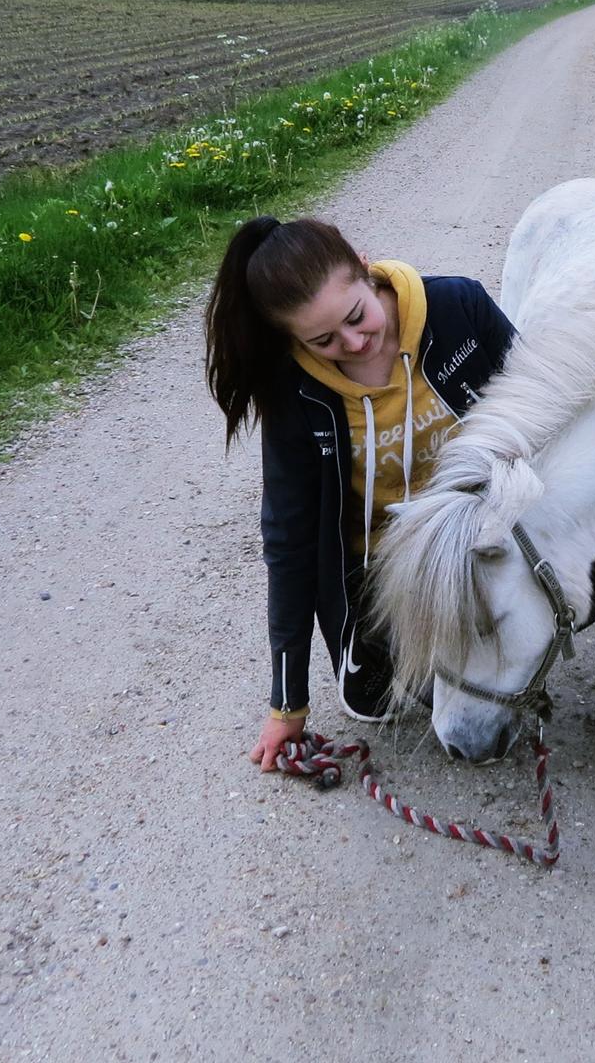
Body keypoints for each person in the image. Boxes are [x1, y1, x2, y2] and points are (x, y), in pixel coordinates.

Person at [205, 216, 516, 772]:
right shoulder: (295, 392)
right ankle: (388, 641)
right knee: (381, 702)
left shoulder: (459, 307)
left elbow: (547, 404)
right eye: (323, 341)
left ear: (365, 268)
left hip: (487, 528)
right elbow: (289, 543)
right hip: (383, 571)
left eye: (356, 316)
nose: (352, 343)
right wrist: (287, 704)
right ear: (293, 339)